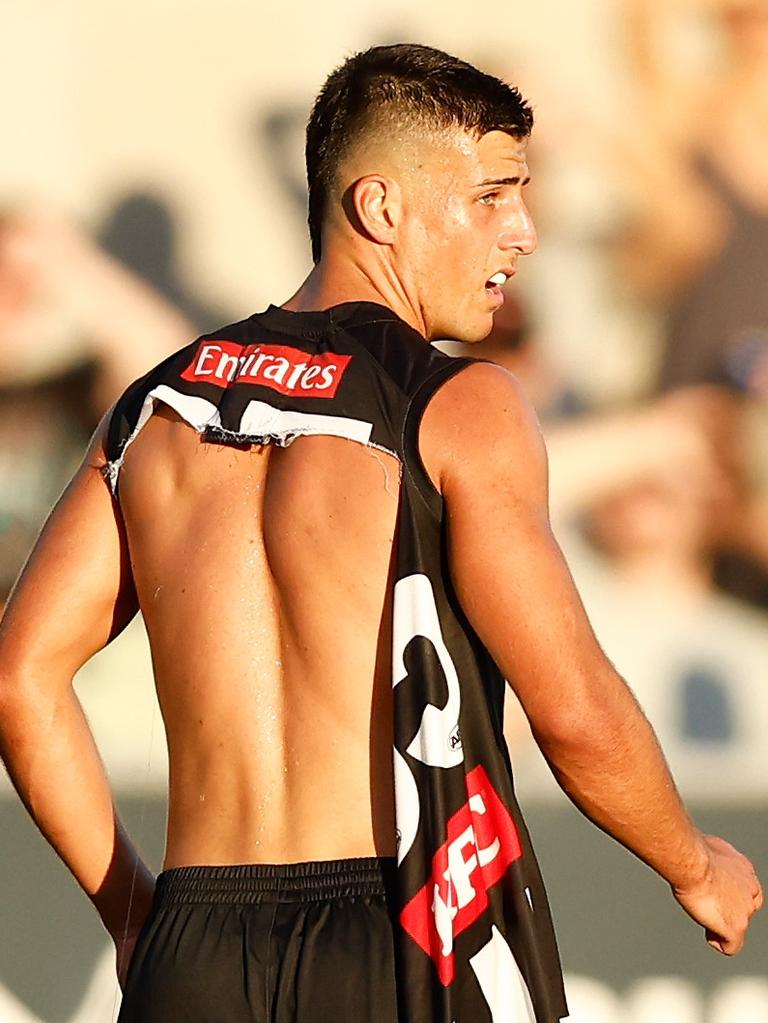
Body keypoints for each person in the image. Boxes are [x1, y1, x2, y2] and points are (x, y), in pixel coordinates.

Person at [0, 43, 762, 1023]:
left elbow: (21, 678)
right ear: (381, 209)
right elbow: (571, 705)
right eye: (494, 196)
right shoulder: (457, 407)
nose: (523, 232)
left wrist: (138, 915)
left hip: (190, 948)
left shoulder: (161, 405)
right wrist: (693, 863)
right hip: (406, 932)